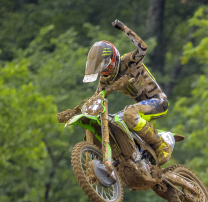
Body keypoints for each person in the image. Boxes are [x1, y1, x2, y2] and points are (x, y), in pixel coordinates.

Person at [60, 19, 172, 165]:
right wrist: (79, 111)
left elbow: (143, 48)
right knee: (113, 122)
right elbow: (97, 97)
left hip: (158, 101)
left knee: (129, 114)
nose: (104, 71)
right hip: (140, 106)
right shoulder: (105, 79)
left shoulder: (128, 61)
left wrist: (124, 29)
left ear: (112, 59)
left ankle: (161, 145)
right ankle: (133, 155)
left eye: (105, 65)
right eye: (100, 68)